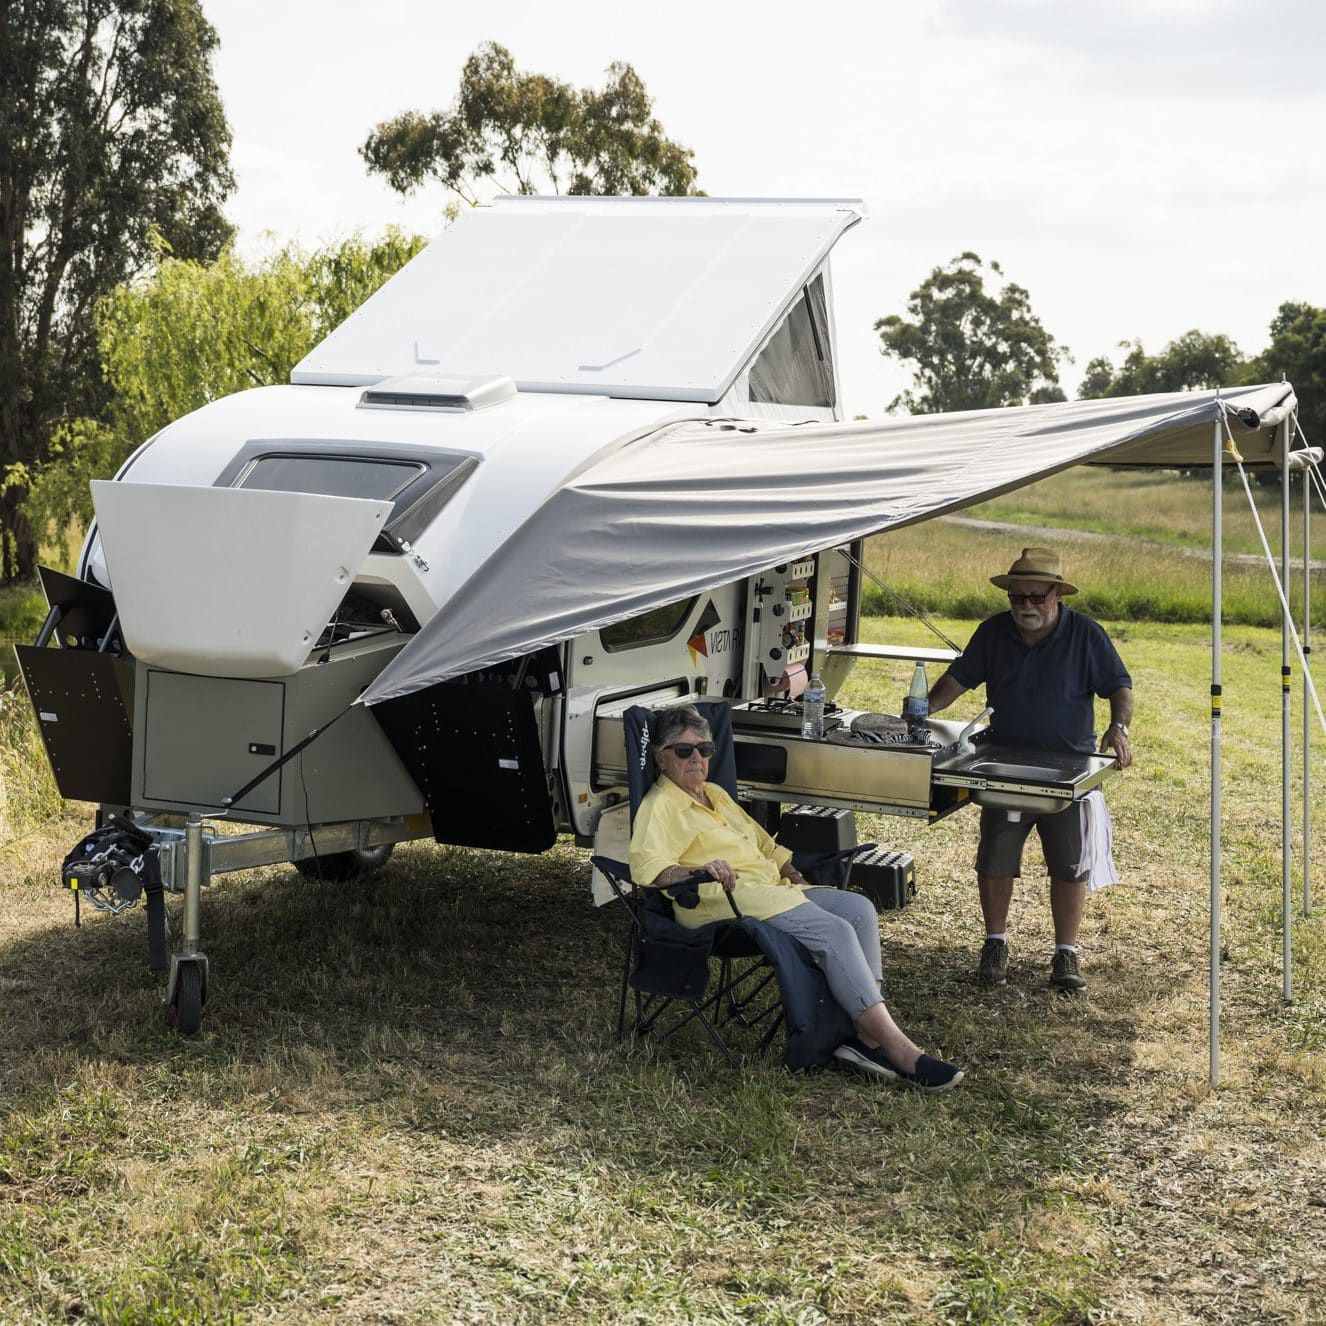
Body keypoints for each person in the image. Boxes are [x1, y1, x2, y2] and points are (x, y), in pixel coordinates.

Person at [629, 704, 963, 1091]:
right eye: (684, 751)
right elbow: (649, 869)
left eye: (704, 749)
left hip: (773, 892)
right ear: (661, 758)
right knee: (834, 931)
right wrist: (699, 871)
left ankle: (863, 1037)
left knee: (858, 909)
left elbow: (765, 845)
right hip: (721, 903)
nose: (697, 759)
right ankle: (897, 1049)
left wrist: (794, 874)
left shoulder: (715, 794)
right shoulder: (661, 806)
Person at [928, 547, 1133, 992]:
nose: (1025, 607)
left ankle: (1066, 953)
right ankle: (995, 943)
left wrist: (1118, 728)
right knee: (996, 856)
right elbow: (957, 680)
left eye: (1035, 597)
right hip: (1004, 766)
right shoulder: (993, 633)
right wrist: (920, 709)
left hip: (1068, 771)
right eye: (1016, 598)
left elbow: (1119, 686)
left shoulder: (1086, 635)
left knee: (1068, 865)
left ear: (1056, 594)